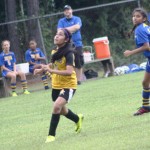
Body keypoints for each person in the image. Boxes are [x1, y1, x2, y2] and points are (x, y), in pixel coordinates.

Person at [34, 29, 84, 143]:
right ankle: (77, 118)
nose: (56, 36)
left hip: (68, 85)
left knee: (56, 107)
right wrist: (42, 69)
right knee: (61, 110)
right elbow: (53, 64)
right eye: (56, 34)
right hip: (56, 85)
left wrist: (51, 70)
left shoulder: (69, 53)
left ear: (66, 39)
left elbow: (69, 71)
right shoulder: (55, 50)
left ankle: (51, 135)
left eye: (60, 35)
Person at [124, 8, 150, 116]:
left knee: (145, 82)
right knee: (145, 82)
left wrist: (131, 52)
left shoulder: (140, 29)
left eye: (138, 16)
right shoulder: (142, 27)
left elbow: (146, 47)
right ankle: (145, 107)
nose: (135, 18)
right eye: (134, 16)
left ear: (144, 19)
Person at [57, 5, 84, 85]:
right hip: (66, 45)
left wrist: (65, 30)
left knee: (78, 61)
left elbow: (77, 27)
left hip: (77, 43)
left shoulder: (77, 19)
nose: (67, 11)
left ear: (71, 10)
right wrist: (71, 29)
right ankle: (72, 80)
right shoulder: (61, 21)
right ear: (64, 12)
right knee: (68, 62)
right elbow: (59, 31)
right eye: (65, 10)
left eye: (68, 10)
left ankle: (78, 80)